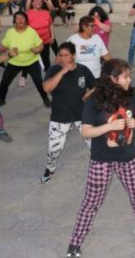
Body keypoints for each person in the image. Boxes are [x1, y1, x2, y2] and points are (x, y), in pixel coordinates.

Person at [65, 59, 135, 258]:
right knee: (91, 203)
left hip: (128, 157)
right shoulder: (94, 100)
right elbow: (85, 131)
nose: (129, 80)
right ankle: (75, 243)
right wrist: (109, 127)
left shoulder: (131, 96)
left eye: (128, 76)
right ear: (112, 78)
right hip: (102, 159)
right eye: (125, 76)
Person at [41, 42, 96, 184]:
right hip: (61, 116)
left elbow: (96, 87)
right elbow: (46, 87)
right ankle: (50, 168)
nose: (63, 58)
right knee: (54, 148)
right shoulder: (54, 70)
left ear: (73, 56)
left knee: (94, 144)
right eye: (60, 55)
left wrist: (89, 93)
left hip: (82, 115)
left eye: (66, 55)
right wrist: (62, 71)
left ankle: (98, 169)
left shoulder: (83, 70)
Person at [0, 12, 51, 108]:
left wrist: (37, 50)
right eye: (17, 18)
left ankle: (45, 98)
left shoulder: (31, 32)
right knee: (4, 82)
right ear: (14, 21)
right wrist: (3, 49)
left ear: (26, 20)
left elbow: (41, 45)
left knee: (39, 82)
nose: (20, 20)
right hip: (14, 62)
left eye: (22, 18)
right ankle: (1, 99)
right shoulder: (10, 32)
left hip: (31, 62)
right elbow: (2, 47)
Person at [27, 0, 57, 71]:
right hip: (33, 42)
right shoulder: (27, 13)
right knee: (29, 60)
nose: (38, 3)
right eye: (36, 1)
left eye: (40, 1)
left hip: (45, 40)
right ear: (32, 3)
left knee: (46, 58)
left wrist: (52, 36)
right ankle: (24, 75)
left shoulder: (46, 12)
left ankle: (48, 74)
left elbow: (50, 24)